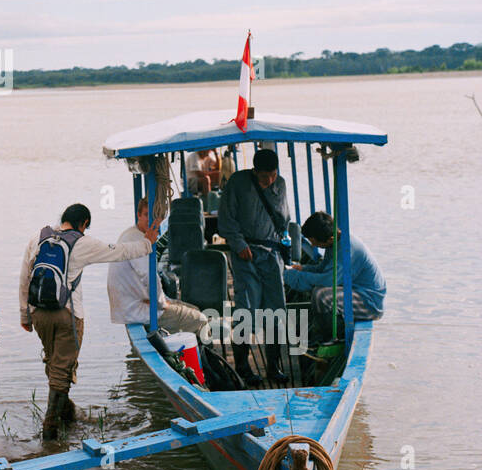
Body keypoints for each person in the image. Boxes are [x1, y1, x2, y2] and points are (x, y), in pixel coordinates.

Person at [19, 202, 157, 440]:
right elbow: (119, 251)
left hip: (38, 312)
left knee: (54, 362)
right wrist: (147, 243)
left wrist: (24, 315)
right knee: (62, 370)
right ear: (84, 224)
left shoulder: (38, 238)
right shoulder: (82, 242)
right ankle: (49, 432)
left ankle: (67, 414)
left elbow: (24, 277)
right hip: (68, 315)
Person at [217, 146, 290, 384]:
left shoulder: (281, 184)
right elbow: (226, 220)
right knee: (245, 309)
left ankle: (273, 366)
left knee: (275, 310)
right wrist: (238, 244)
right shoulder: (238, 182)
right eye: (263, 176)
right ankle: (242, 366)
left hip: (272, 256)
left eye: (272, 175)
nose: (269, 180)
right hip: (246, 254)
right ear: (254, 171)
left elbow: (284, 219)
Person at [108, 197, 209, 337]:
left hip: (133, 305)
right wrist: (162, 302)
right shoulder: (138, 241)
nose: (150, 221)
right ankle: (195, 356)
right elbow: (148, 276)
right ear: (138, 215)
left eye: (154, 217)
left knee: (193, 308)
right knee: (201, 320)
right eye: (146, 215)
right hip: (138, 310)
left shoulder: (130, 234)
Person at [285, 210, 386, 348]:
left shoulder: (346, 249)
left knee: (321, 295)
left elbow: (328, 280)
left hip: (368, 301)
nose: (313, 246)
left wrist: (293, 277)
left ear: (329, 239)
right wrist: (302, 269)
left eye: (315, 242)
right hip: (355, 291)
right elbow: (323, 268)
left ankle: (334, 337)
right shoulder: (335, 243)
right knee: (318, 290)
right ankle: (322, 334)